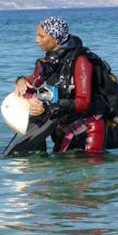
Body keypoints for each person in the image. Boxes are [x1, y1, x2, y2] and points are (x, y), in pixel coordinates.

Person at [15, 17, 106, 154]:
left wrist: (48, 110)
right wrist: (21, 82)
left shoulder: (81, 61)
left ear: (56, 39)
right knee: (61, 173)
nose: (36, 40)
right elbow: (32, 83)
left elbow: (84, 101)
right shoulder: (46, 62)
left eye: (41, 36)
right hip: (62, 127)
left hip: (89, 129)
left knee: (86, 172)